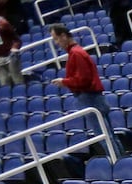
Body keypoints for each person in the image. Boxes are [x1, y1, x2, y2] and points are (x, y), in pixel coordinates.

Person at [49, 25, 119, 156]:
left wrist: (64, 82)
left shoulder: (76, 53)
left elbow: (83, 79)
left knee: (105, 137)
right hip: (92, 97)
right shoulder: (76, 52)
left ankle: (119, 165)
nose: (56, 43)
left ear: (64, 36)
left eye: (56, 39)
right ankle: (120, 161)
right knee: (109, 135)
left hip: (90, 98)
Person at [0, 16, 20, 92]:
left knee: (17, 80)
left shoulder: (3, 23)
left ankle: (21, 98)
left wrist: (14, 48)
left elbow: (17, 39)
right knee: (4, 82)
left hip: (10, 55)